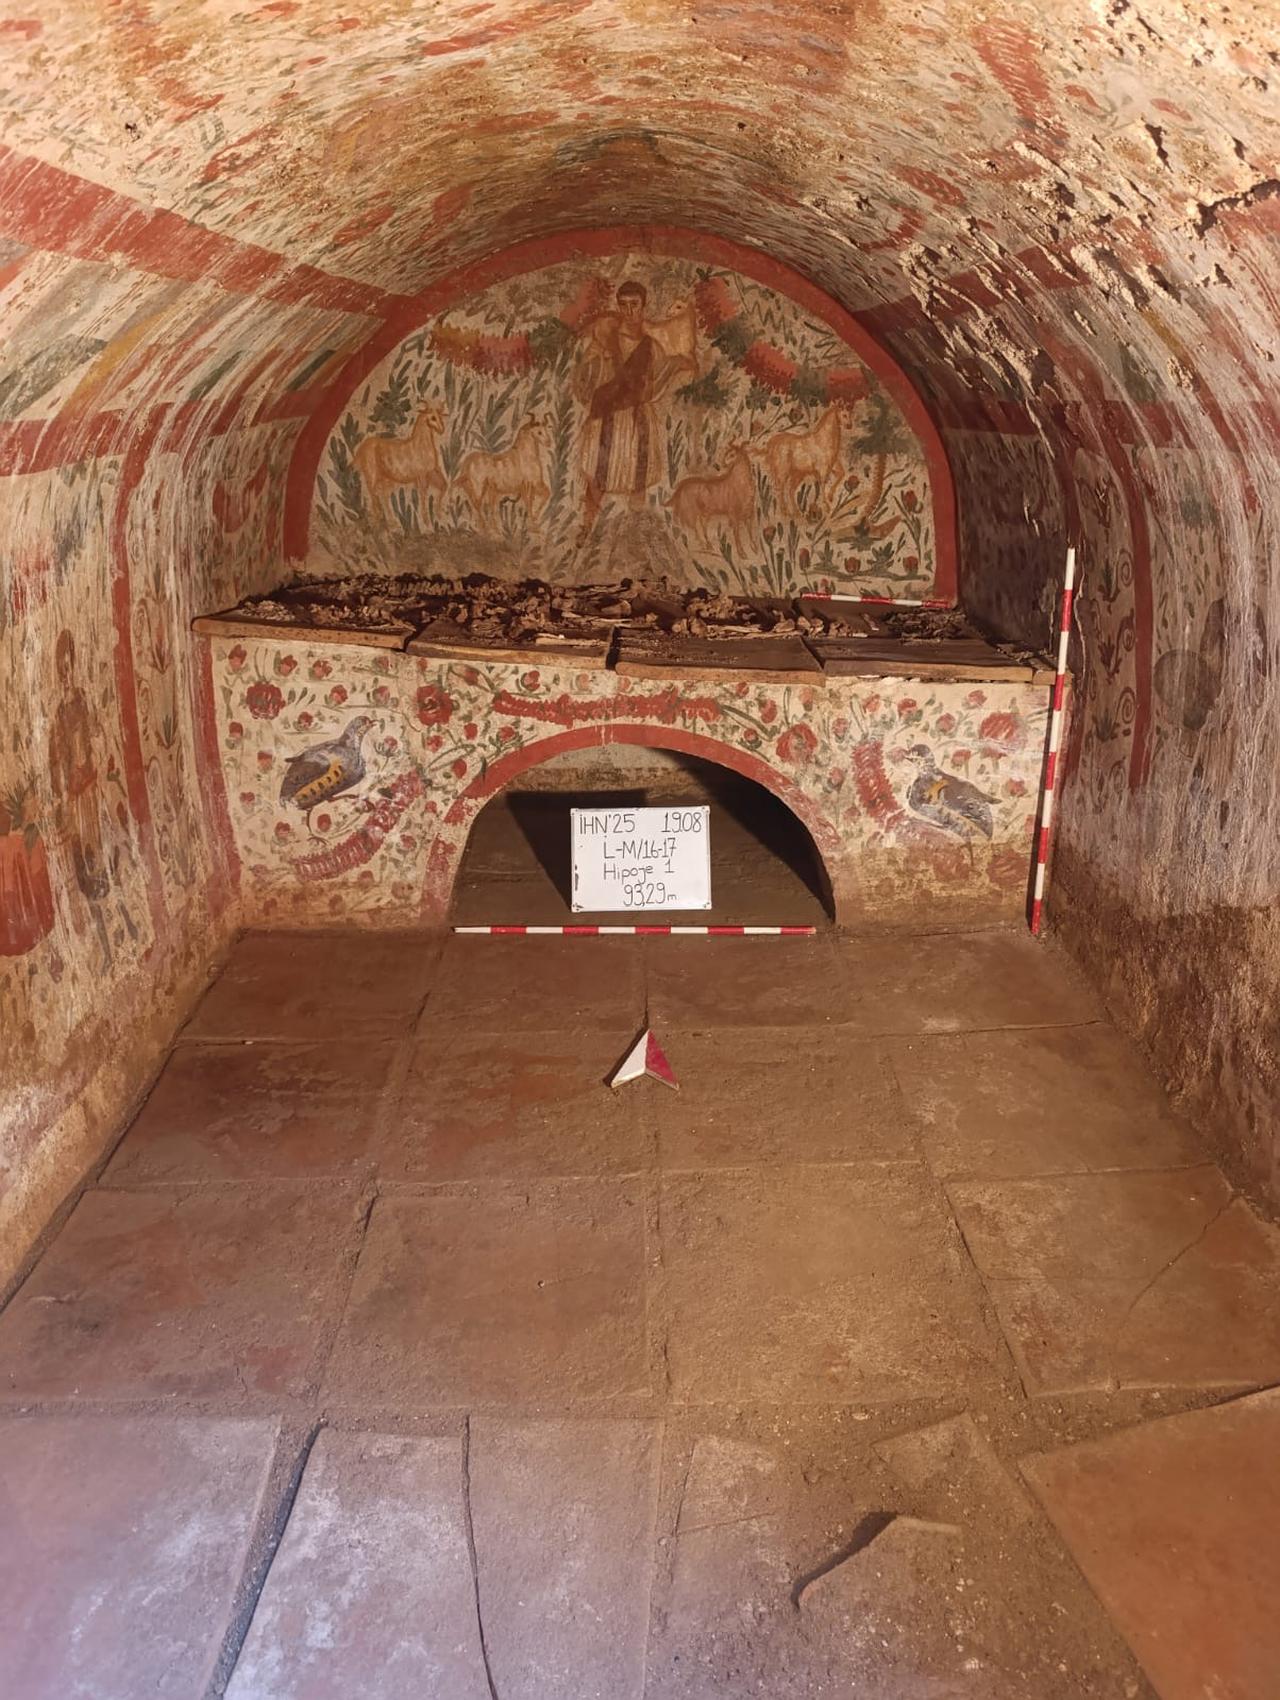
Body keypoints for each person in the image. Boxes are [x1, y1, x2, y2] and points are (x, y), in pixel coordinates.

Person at [573, 281, 697, 535]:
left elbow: (657, 378)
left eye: (634, 305)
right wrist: (601, 361)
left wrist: (678, 365)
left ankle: (633, 534)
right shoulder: (606, 339)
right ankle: (586, 528)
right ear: (618, 306)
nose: (629, 311)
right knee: (598, 475)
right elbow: (584, 375)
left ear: (643, 306)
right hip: (607, 415)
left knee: (638, 477)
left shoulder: (652, 345)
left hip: (638, 418)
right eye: (623, 305)